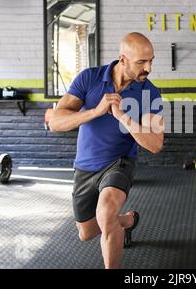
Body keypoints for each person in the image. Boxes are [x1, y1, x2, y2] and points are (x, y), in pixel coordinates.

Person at [49, 32, 164, 269]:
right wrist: (95, 111)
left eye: (151, 60)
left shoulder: (149, 93)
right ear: (123, 60)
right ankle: (127, 222)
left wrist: (123, 116)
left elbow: (155, 144)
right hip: (86, 165)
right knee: (87, 232)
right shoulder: (89, 78)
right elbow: (56, 122)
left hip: (119, 162)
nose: (149, 68)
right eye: (141, 62)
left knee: (106, 210)